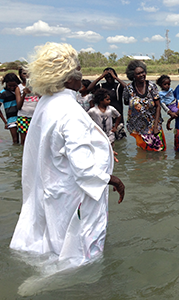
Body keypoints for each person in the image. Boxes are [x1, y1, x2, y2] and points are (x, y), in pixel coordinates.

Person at [9, 42, 125, 268]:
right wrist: (114, 180)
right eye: (78, 69)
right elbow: (84, 169)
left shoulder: (47, 103)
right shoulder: (70, 111)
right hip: (72, 194)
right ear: (65, 77)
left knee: (54, 240)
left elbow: (55, 145)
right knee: (79, 254)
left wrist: (103, 152)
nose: (82, 75)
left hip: (54, 188)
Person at [125, 60, 165, 151]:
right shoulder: (128, 88)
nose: (142, 75)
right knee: (142, 154)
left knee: (158, 152)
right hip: (138, 128)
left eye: (143, 72)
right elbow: (127, 103)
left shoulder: (152, 86)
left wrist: (155, 127)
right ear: (133, 76)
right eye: (138, 74)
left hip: (153, 126)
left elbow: (158, 106)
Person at [87, 67, 127, 138]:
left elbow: (127, 88)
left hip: (117, 119)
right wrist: (101, 77)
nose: (109, 78)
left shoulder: (118, 86)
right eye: (107, 76)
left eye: (111, 76)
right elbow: (89, 89)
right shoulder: (101, 86)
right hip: (104, 120)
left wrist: (115, 78)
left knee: (120, 141)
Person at [0, 73, 21, 144]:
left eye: (14, 85)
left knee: (24, 140)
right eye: (9, 85)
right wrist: (5, 122)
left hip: (21, 117)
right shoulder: (3, 93)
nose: (12, 87)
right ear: (6, 83)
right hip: (11, 119)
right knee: (15, 141)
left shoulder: (20, 91)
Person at [17, 67, 39, 145]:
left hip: (35, 116)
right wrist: (24, 94)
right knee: (24, 140)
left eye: (29, 73)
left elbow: (42, 100)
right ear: (20, 75)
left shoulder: (37, 86)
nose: (27, 75)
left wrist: (36, 92)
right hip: (23, 116)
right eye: (24, 73)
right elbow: (18, 106)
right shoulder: (18, 87)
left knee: (36, 139)